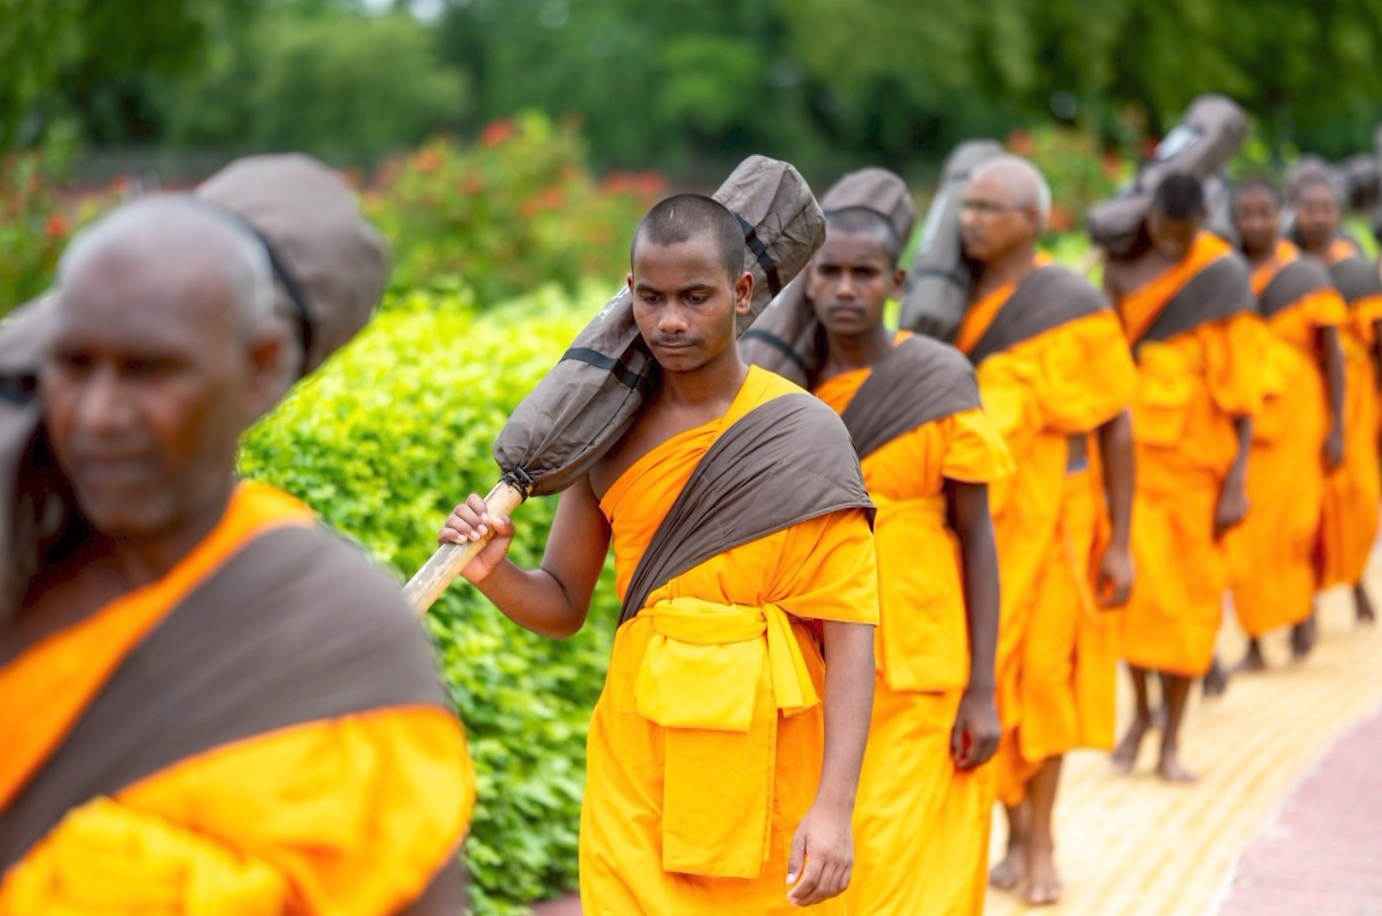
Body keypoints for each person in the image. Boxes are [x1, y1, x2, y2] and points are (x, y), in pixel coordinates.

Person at [0, 198, 475, 914]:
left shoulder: (331, 638)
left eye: (150, 371)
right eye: (73, 366)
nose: (98, 415)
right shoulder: (21, 555)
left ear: (262, 367)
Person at [440, 194, 880, 915]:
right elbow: (561, 602)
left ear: (741, 294)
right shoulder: (603, 435)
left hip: (770, 762)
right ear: (629, 293)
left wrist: (834, 808)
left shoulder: (803, 433)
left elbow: (852, 634)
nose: (670, 321)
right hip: (638, 764)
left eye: (694, 297)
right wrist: (494, 573)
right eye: (651, 298)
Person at [798, 204, 1012, 915]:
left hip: (922, 654)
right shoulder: (784, 390)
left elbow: (978, 537)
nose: (846, 288)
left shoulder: (938, 379)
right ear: (808, 282)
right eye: (830, 271)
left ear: (897, 280)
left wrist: (982, 688)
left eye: (865, 273)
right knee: (830, 850)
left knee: (899, 857)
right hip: (816, 660)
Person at [942, 156, 1137, 907]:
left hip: (1056, 516)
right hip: (976, 521)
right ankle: (1009, 833)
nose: (972, 219)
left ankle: (1041, 839)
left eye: (991, 207)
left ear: (1032, 219)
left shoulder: (1073, 302)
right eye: (968, 205)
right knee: (984, 677)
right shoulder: (946, 299)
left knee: (1043, 677)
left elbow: (1117, 423)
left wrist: (1120, 539)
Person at [1105, 173, 1266, 783]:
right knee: (1136, 604)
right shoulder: (1122, 272)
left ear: (1203, 219)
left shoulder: (1221, 275)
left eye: (1183, 234)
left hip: (1203, 473)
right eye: (1163, 234)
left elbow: (1245, 390)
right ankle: (1141, 714)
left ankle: (1172, 739)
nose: (1172, 245)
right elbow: (1106, 369)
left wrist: (1238, 480)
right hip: (1135, 473)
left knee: (1192, 612)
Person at [1231, 177, 1346, 669]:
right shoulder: (1227, 275)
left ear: (1281, 216)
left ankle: (1302, 614)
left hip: (1300, 416)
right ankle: (1255, 639)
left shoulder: (1302, 276)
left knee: (1296, 524)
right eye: (1245, 214)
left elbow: (1334, 356)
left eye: (1264, 213)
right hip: (1247, 420)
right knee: (1248, 533)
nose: (1255, 223)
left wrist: (1338, 425)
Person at [1292, 167, 1382, 628]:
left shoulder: (1354, 266)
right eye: (1309, 208)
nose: (1318, 217)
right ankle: (1303, 605)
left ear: (1339, 213)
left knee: (1361, 497)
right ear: (1295, 211)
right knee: (1307, 505)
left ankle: (1358, 581)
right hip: (1302, 399)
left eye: (1326, 208)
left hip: (1358, 395)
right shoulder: (1286, 269)